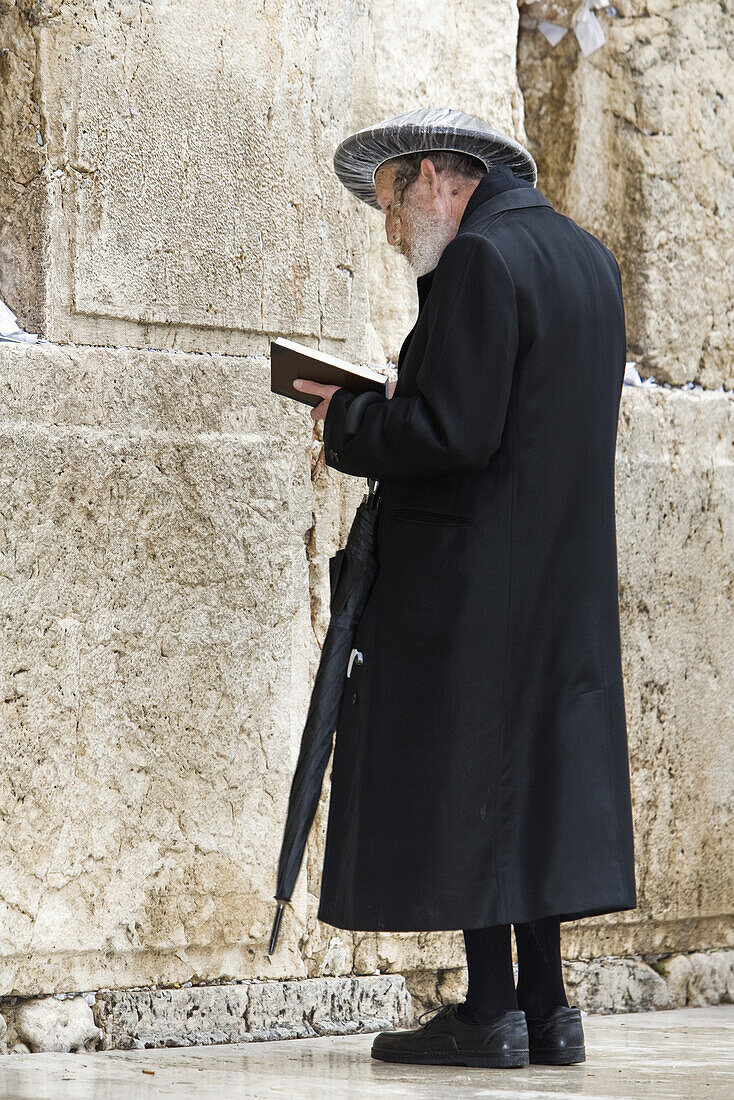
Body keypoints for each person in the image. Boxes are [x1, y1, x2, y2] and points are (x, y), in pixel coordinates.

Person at [293, 108, 636, 1070]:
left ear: (440, 177)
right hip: (560, 574)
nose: (394, 229)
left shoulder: (481, 260)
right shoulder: (587, 260)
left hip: (478, 578)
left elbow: (455, 434)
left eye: (393, 202)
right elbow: (516, 414)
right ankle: (548, 1008)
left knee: (478, 780)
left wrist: (349, 419)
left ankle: (492, 1012)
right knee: (536, 782)